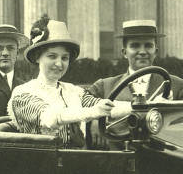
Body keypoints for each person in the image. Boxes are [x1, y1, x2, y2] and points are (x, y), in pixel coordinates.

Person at [7, 17, 117, 146]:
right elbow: (51, 118)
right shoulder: (23, 93)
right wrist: (94, 112)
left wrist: (138, 106)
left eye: (65, 58)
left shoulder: (73, 91)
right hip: (41, 161)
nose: (59, 64)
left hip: (76, 159)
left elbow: (106, 106)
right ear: (37, 57)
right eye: (52, 56)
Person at [87, 19, 183, 102]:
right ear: (124, 52)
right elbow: (83, 118)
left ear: (156, 52)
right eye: (135, 46)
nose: (142, 51)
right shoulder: (104, 87)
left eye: (148, 46)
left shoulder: (178, 87)